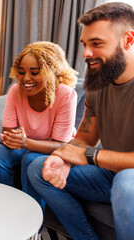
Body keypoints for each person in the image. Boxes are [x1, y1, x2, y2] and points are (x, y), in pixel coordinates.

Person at [27, 2, 134, 240]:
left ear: (128, 40)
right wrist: (62, 158)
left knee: (127, 182)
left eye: (96, 44)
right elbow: (85, 137)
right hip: (111, 174)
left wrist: (89, 156)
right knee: (38, 168)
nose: (85, 53)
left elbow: (89, 152)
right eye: (85, 44)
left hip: (128, 179)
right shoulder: (99, 83)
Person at [0, 41, 78, 204]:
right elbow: (9, 134)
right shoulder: (15, 90)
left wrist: (25, 142)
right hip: (26, 143)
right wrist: (14, 139)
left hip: (54, 147)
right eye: (21, 72)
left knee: (31, 160)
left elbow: (61, 144)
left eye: (35, 72)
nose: (25, 79)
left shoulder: (66, 94)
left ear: (52, 72)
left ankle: (32, 216)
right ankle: (2, 206)